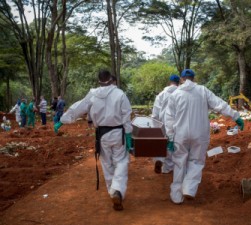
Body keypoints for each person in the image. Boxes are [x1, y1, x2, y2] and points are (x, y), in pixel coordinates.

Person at [54, 69, 133, 211]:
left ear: (99, 81)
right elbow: (126, 115)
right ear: (111, 79)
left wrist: (63, 120)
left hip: (101, 134)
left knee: (106, 163)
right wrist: (128, 134)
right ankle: (117, 190)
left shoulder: (93, 95)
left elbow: (78, 107)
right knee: (121, 161)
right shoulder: (120, 94)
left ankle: (112, 191)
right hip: (118, 133)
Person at [165, 69, 244, 204]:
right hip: (199, 133)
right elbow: (219, 104)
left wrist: (170, 137)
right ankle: (189, 189)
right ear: (194, 78)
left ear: (182, 79)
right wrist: (235, 116)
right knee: (196, 161)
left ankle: (176, 196)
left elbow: (169, 118)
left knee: (179, 162)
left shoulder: (175, 94)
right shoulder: (202, 91)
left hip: (180, 134)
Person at [152, 74, 180, 174]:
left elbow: (155, 113)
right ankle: (168, 167)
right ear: (179, 82)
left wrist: (155, 126)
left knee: (161, 143)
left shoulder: (161, 94)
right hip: (176, 123)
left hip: (162, 123)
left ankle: (159, 158)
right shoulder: (181, 94)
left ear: (169, 82)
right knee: (172, 144)